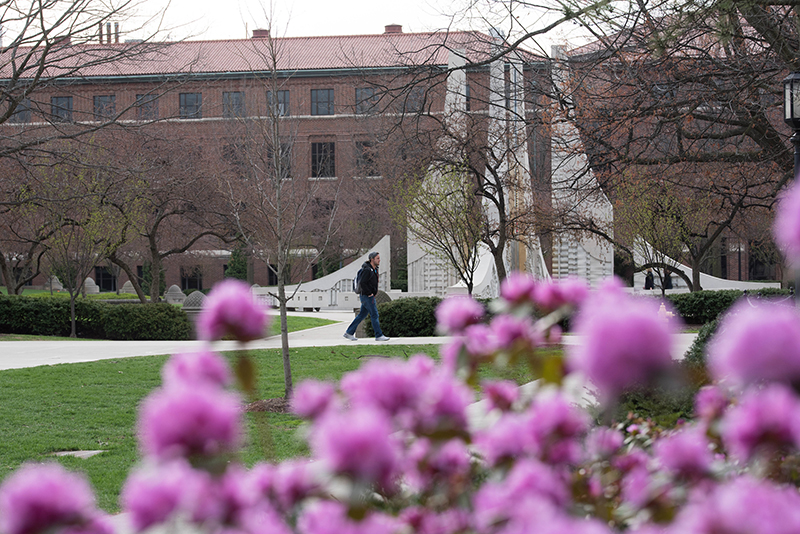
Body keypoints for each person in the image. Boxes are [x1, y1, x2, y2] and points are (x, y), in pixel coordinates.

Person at [343, 252, 390, 341]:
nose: (379, 260)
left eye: (379, 258)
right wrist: (369, 293)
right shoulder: (367, 270)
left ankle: (349, 333)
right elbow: (363, 282)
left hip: (368, 296)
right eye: (377, 258)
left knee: (362, 315)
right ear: (372, 259)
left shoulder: (374, 269)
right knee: (374, 314)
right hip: (367, 296)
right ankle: (379, 335)